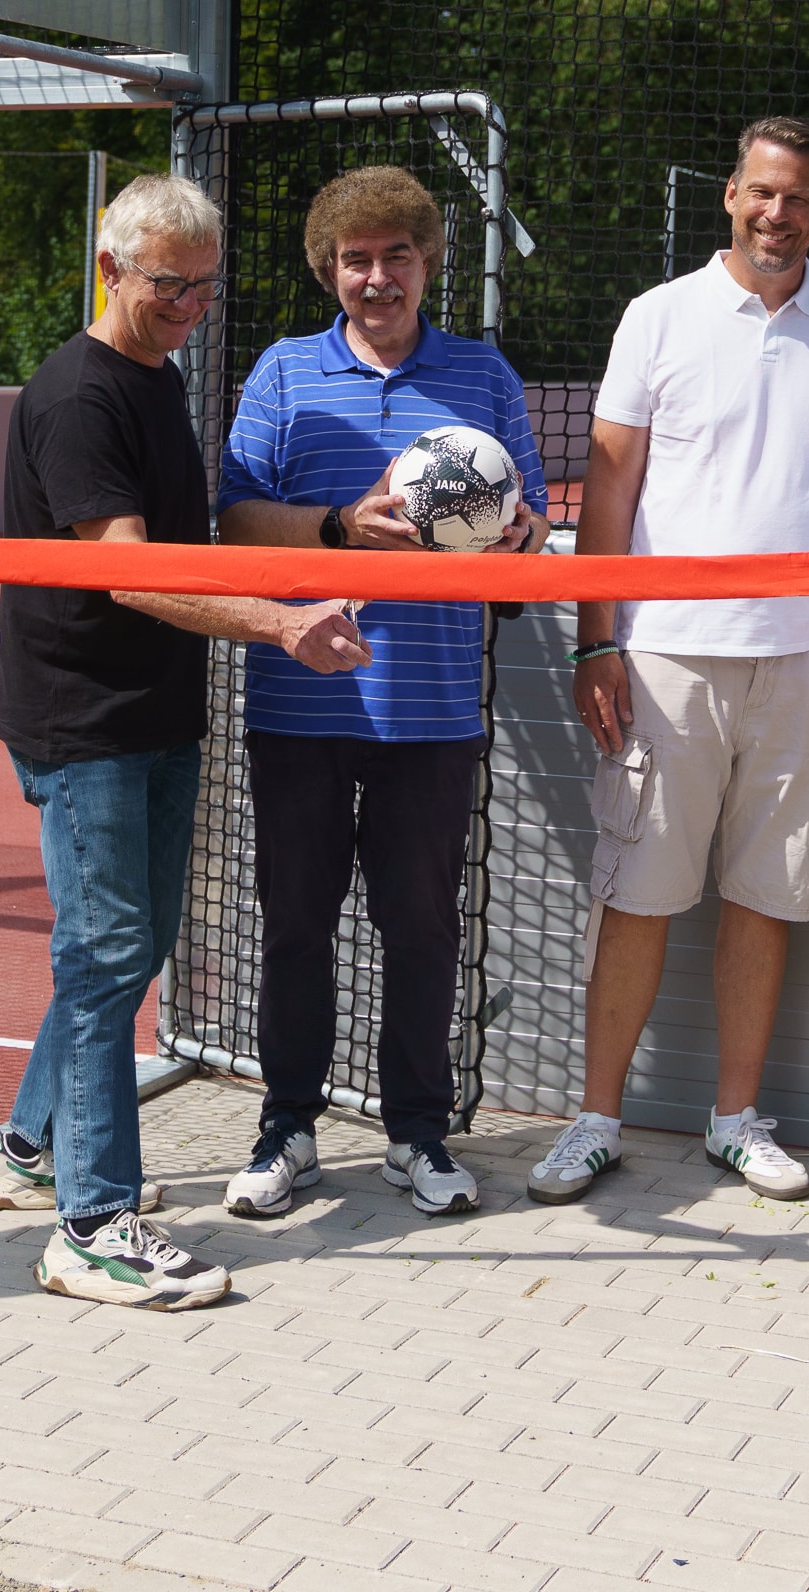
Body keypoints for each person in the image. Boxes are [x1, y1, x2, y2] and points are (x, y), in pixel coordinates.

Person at [0, 175, 369, 1309]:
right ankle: (91, 1224)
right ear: (110, 270)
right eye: (168, 284)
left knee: (124, 950)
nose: (190, 304)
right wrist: (281, 622)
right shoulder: (77, 396)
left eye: (204, 285)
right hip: (83, 721)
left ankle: (24, 1152)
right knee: (103, 958)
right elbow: (132, 567)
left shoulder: (157, 378)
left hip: (154, 717)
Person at [527, 115, 809, 1207]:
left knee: (768, 894)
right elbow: (608, 489)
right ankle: (594, 1119)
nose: (776, 214)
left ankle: (735, 1119)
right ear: (728, 196)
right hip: (664, 658)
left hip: (805, 656)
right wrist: (597, 635)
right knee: (638, 892)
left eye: (798, 198)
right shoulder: (658, 316)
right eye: (760, 192)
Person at [216, 166, 549, 1221]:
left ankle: (417, 1130)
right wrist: (336, 528)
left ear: (426, 260)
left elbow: (529, 529)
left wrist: (518, 536)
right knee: (295, 924)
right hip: (299, 705)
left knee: (421, 928)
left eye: (395, 254)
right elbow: (233, 523)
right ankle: (288, 1125)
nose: (376, 276)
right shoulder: (280, 372)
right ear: (330, 268)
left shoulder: (483, 375)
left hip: (433, 707)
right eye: (355, 259)